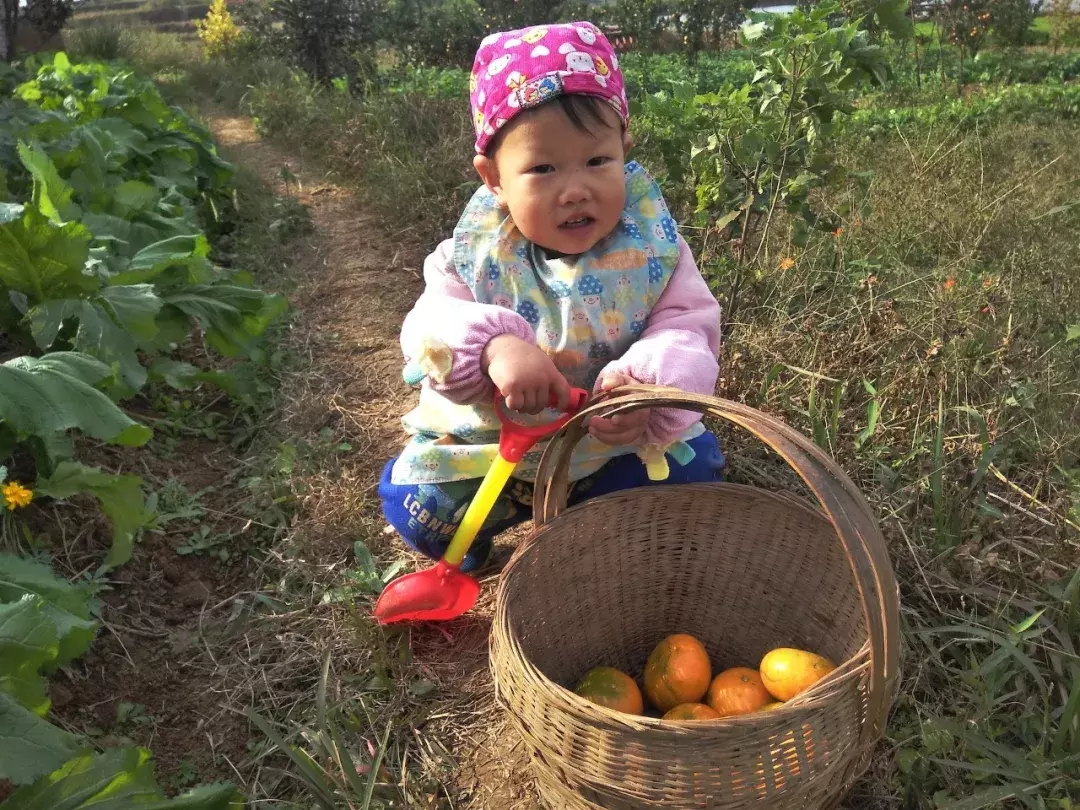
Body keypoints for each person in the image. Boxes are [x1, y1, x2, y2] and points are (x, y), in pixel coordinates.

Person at [379, 21, 726, 572]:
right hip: (492, 452)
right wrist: (492, 347)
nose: (575, 189)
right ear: (493, 177)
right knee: (414, 506)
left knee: (696, 469)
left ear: (625, 151)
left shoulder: (653, 252)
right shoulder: (472, 255)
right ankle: (483, 538)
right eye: (542, 169)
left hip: (608, 445)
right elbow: (428, 327)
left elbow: (687, 327)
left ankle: (593, 520)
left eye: (597, 161)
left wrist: (646, 388)